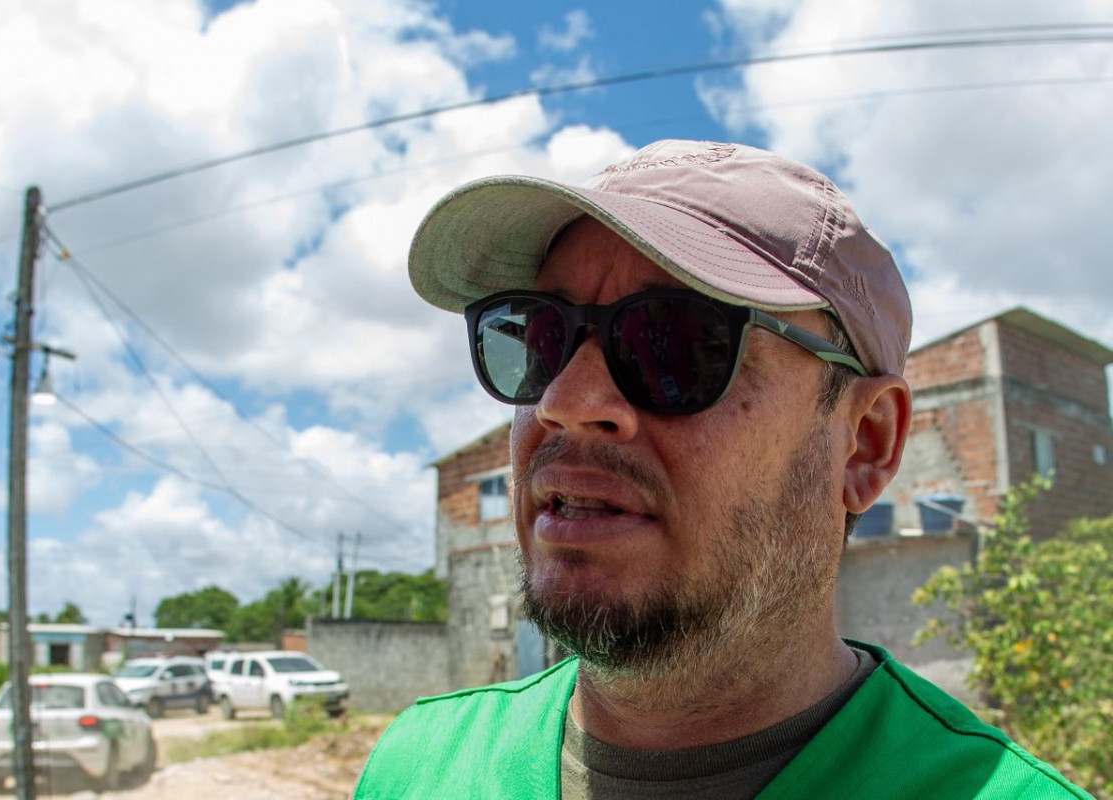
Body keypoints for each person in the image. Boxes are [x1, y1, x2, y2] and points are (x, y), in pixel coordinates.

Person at [355, 141, 1090, 798]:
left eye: (674, 342)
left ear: (864, 443)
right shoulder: (418, 767)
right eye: (540, 336)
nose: (566, 401)